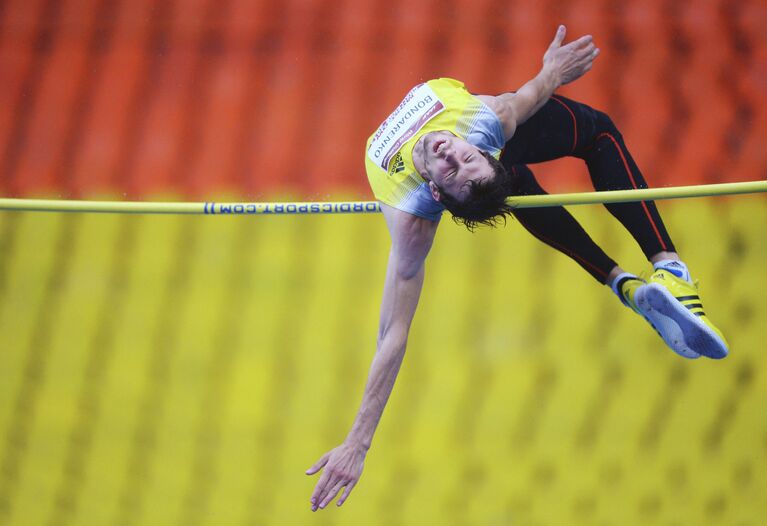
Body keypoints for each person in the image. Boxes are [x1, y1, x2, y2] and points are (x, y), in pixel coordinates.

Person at [305, 25, 729, 511]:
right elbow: (393, 333)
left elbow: (535, 91)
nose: (451, 156)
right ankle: (625, 282)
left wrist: (551, 72)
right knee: (522, 178)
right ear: (444, 188)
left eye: (461, 163)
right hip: (491, 145)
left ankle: (667, 270)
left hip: (497, 146)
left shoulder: (452, 168)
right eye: (458, 167)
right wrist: (358, 442)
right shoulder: (449, 169)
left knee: (588, 138)